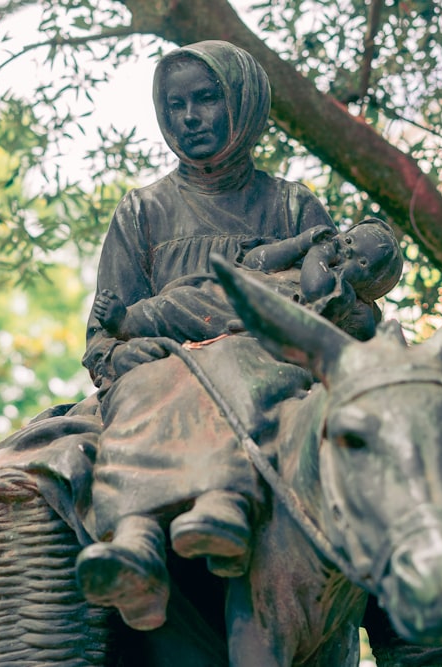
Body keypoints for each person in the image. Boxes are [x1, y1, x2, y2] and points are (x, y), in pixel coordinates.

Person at [75, 40, 367, 632]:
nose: (189, 117)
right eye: (175, 104)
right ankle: (134, 542)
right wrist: (125, 351)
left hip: (268, 378)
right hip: (161, 375)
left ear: (244, 103)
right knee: (135, 393)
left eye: (206, 99)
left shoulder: (292, 205)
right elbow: (103, 339)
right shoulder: (142, 211)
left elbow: (331, 309)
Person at [92, 217, 402, 343]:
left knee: (188, 308)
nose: (345, 252)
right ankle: (130, 321)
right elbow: (255, 260)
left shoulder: (342, 297)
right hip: (232, 297)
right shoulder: (302, 256)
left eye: (360, 261)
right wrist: (299, 243)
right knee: (181, 301)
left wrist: (317, 254)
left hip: (262, 322)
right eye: (348, 241)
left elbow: (315, 290)